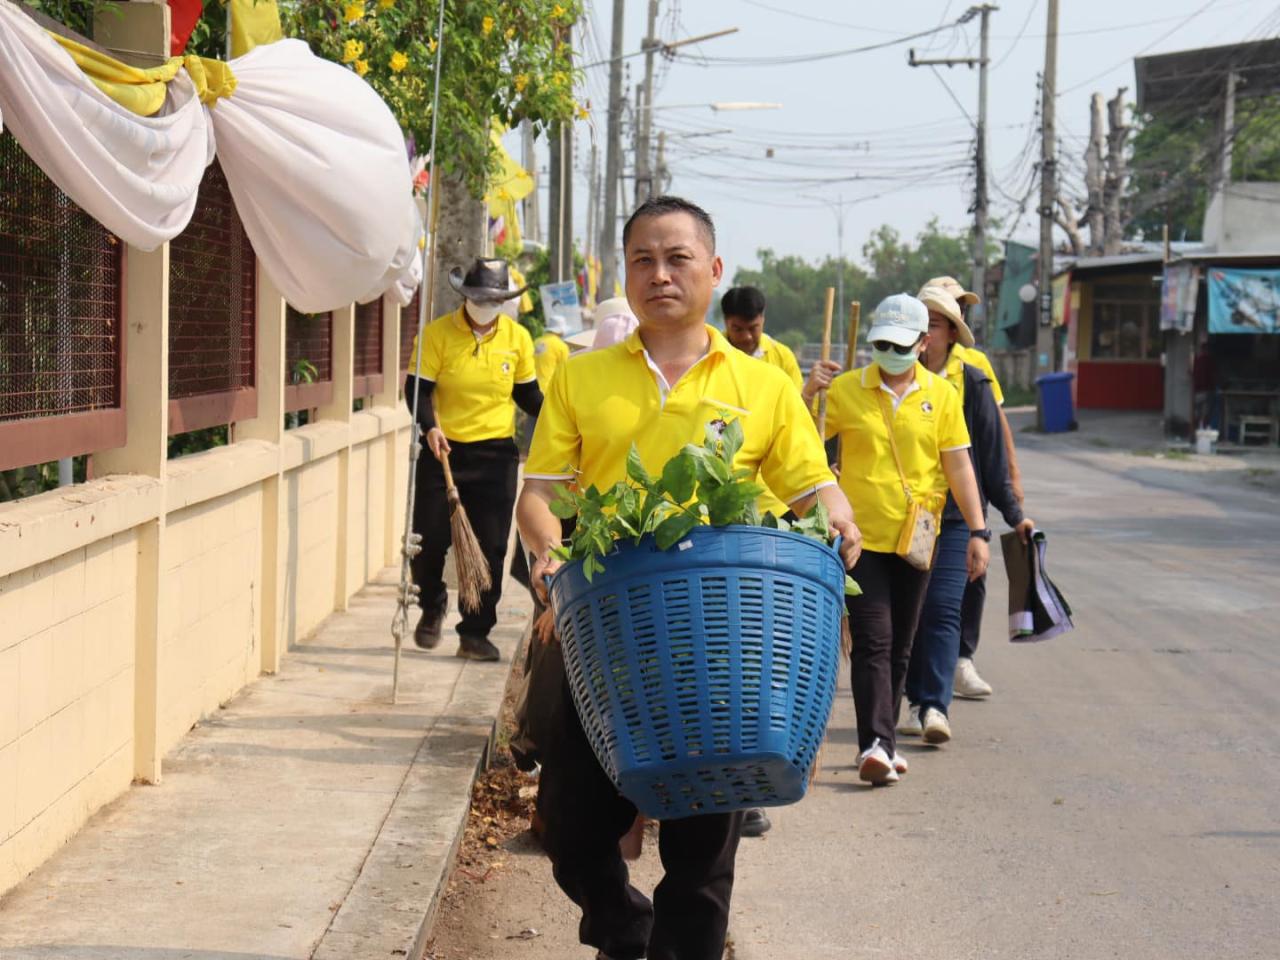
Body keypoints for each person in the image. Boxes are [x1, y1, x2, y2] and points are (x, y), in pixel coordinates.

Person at [517, 195, 861, 960]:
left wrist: (838, 517)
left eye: (677, 259)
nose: (660, 274)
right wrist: (547, 552)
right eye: (643, 259)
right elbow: (538, 497)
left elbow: (811, 486)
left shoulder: (764, 385)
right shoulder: (581, 378)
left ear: (713, 270)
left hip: (720, 639)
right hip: (604, 629)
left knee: (703, 861)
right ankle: (624, 928)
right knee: (570, 826)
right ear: (625, 274)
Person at [806, 292, 988, 785]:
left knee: (902, 644)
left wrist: (978, 530)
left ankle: (883, 742)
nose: (890, 351)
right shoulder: (844, 390)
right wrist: (808, 394)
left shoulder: (942, 396)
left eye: (900, 343)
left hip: (919, 539)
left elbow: (958, 466)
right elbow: (799, 441)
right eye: (882, 342)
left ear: (923, 343)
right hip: (859, 538)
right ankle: (875, 745)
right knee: (873, 641)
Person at [900, 284, 1033, 744]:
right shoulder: (890, 378)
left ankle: (935, 706)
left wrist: (1013, 514)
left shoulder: (973, 383)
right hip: (902, 516)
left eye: (934, 326)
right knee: (907, 614)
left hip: (955, 517)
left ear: (952, 335)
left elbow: (991, 459)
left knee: (941, 610)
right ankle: (915, 698)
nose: (925, 335)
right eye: (921, 326)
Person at [403, 257, 542, 661]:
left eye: (495, 298)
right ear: (465, 296)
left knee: (491, 547)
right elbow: (417, 388)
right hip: (443, 451)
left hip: (495, 456)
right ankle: (431, 606)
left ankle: (475, 632)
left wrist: (560, 416)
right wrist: (429, 427)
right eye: (480, 297)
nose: (486, 304)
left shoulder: (517, 339)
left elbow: (527, 396)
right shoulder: (437, 336)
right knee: (429, 541)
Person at [719, 284, 816, 838]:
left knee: (760, 658)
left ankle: (749, 792)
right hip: (725, 527)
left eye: (753, 327)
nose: (747, 335)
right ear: (727, 322)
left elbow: (793, 436)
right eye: (739, 328)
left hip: (773, 527)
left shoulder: (778, 363)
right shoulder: (717, 364)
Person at [922, 275, 1020, 700]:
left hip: (965, 498)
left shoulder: (975, 372)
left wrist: (1012, 494)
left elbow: (997, 432)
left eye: (960, 306)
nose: (960, 310)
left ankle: (959, 661)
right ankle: (918, 679)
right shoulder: (899, 366)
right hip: (915, 501)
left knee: (969, 580)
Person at [534, 314, 571, 394]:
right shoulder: (561, 346)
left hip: (533, 388)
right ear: (561, 331)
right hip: (549, 390)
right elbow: (565, 372)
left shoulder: (537, 342)